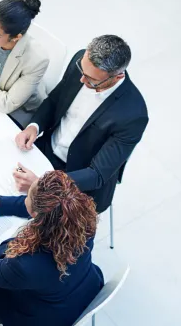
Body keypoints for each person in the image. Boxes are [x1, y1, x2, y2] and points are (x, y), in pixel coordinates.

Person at [0, 171, 104, 326]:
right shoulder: (84, 217)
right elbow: (44, 208)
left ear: (37, 215)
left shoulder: (27, 264)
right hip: (82, 289)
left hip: (43, 323)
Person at [13, 35, 148, 213]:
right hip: (46, 149)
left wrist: (42, 185)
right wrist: (34, 126)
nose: (82, 81)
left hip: (80, 183)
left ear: (117, 77)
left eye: (91, 80)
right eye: (82, 71)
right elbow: (54, 100)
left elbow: (97, 174)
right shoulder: (82, 62)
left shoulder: (133, 115)